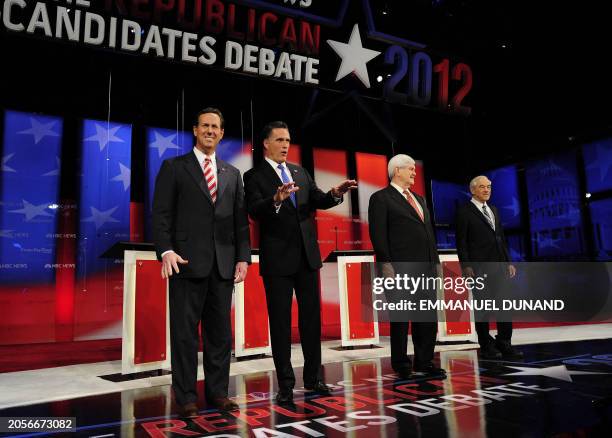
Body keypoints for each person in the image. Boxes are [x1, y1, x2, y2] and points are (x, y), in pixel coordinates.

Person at [244, 121, 357, 404]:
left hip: (307, 259)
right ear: (266, 144)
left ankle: (314, 379)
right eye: (280, 139)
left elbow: (316, 199)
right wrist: (277, 199)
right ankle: (285, 384)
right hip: (278, 261)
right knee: (281, 324)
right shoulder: (253, 176)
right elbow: (254, 210)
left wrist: (335, 193)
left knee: (311, 322)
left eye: (288, 140)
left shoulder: (299, 171)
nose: (285, 145)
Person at [152, 108, 251, 417]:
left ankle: (218, 393)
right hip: (186, 263)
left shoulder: (232, 174)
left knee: (220, 336)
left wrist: (243, 258)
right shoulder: (174, 167)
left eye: (216, 127)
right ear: (195, 130)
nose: (210, 131)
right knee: (184, 335)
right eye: (205, 125)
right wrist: (165, 250)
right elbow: (161, 215)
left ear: (221, 133)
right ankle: (185, 396)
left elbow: (240, 223)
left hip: (222, 268)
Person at [368, 154, 445, 379]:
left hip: (426, 268)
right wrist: (386, 264)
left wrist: (436, 264)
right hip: (398, 269)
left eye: (414, 168)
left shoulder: (420, 199)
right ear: (396, 171)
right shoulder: (381, 198)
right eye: (410, 169)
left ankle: (425, 361)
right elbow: (378, 235)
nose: (414, 172)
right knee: (401, 318)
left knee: (427, 317)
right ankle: (401, 364)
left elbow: (428, 234)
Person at [455, 175, 523, 360]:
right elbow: (461, 242)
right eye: (483, 187)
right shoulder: (464, 211)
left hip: (499, 266)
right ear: (473, 190)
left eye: (489, 187)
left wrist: (508, 261)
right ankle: (486, 345)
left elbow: (500, 237)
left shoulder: (493, 209)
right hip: (478, 269)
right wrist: (466, 266)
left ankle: (504, 342)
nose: (487, 190)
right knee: (483, 309)